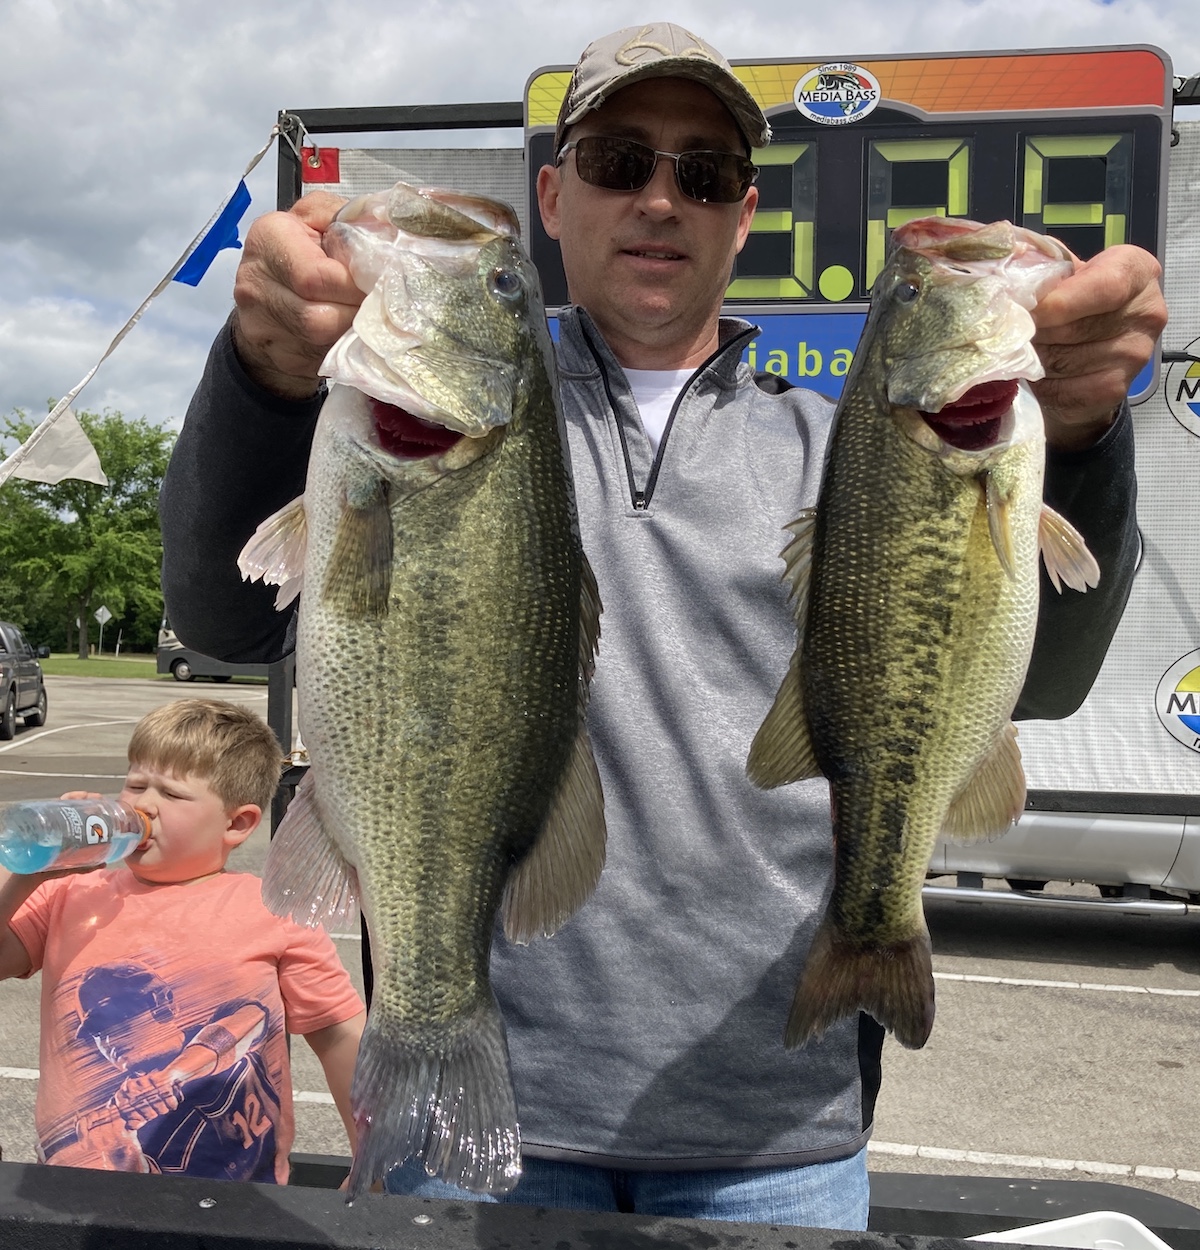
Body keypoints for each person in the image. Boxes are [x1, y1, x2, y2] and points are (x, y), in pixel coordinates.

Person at [157, 22, 1166, 1227]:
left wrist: (1082, 436)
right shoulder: (445, 412)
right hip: (487, 1107)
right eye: (619, 158)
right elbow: (220, 612)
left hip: (777, 1129)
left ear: (744, 217)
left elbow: (1040, 677)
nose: (659, 197)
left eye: (705, 172)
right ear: (552, 195)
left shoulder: (849, 444)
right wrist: (263, 378)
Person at [0, 698, 366, 1184]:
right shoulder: (70, 893)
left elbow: (339, 1035)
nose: (143, 806)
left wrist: (369, 1156)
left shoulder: (272, 909)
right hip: (82, 1196)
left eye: (171, 794)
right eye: (135, 785)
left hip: (237, 1201)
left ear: (236, 823)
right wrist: (28, 872)